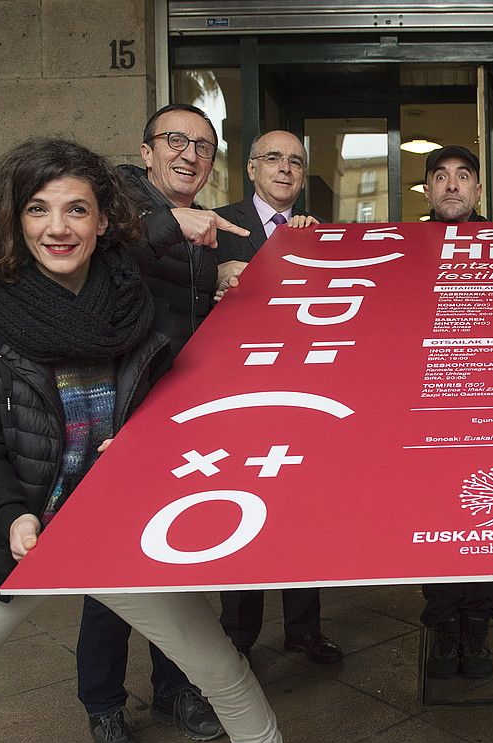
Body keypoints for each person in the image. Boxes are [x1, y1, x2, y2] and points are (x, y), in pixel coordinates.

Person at [0, 138, 294, 743]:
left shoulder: (136, 309)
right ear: (17, 222)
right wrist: (11, 514)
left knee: (221, 669)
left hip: (111, 531)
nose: (57, 227)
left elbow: (173, 408)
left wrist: (138, 446)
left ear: (102, 222)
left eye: (77, 209)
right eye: (38, 210)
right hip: (7, 541)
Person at [76, 102, 251, 743]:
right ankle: (104, 708)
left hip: (177, 421)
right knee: (109, 575)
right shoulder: (114, 207)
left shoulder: (202, 231)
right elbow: (90, 250)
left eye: (204, 145)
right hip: (114, 425)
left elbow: (176, 322)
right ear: (146, 152)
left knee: (175, 557)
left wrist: (223, 288)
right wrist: (168, 224)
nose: (189, 153)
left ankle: (176, 689)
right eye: (175, 140)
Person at [211, 130, 342, 666]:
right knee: (242, 514)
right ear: (250, 168)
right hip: (235, 393)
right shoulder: (216, 225)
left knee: (298, 515)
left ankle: (303, 630)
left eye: (295, 161)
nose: (285, 169)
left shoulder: (318, 231)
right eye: (273, 158)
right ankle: (238, 639)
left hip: (301, 390)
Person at [419, 144, 493, 679]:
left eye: (463, 176)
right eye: (441, 177)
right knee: (436, 523)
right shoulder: (398, 244)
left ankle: (478, 630)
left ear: (477, 189)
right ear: (427, 189)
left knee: (489, 520)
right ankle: (443, 628)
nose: (452, 185)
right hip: (429, 404)